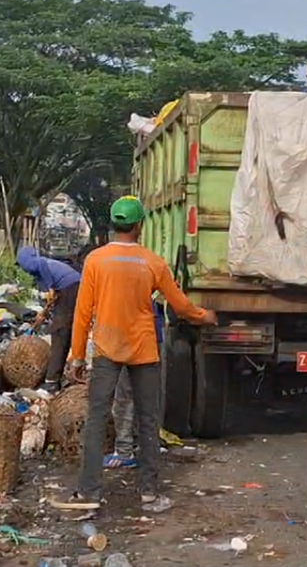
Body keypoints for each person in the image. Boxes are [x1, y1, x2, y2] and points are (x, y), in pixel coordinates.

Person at [63, 196, 216, 511]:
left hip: (106, 347)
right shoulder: (152, 262)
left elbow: (82, 312)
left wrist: (76, 355)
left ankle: (89, 492)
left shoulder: (95, 260)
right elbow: (180, 306)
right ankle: (149, 493)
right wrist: (205, 316)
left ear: (113, 224)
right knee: (148, 421)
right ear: (139, 226)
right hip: (143, 349)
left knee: (95, 419)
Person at [106, 299, 166, 469]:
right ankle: (149, 445)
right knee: (148, 392)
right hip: (152, 334)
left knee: (125, 394)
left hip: (131, 334)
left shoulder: (119, 275)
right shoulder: (150, 273)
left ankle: (125, 452)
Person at [16, 246, 82, 392]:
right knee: (63, 331)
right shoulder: (44, 268)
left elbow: (53, 294)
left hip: (71, 289)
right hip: (72, 289)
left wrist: (44, 313)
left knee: (59, 333)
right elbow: (54, 296)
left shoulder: (40, 264)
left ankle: (52, 381)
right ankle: (56, 375)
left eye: (21, 265)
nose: (23, 269)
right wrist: (44, 314)